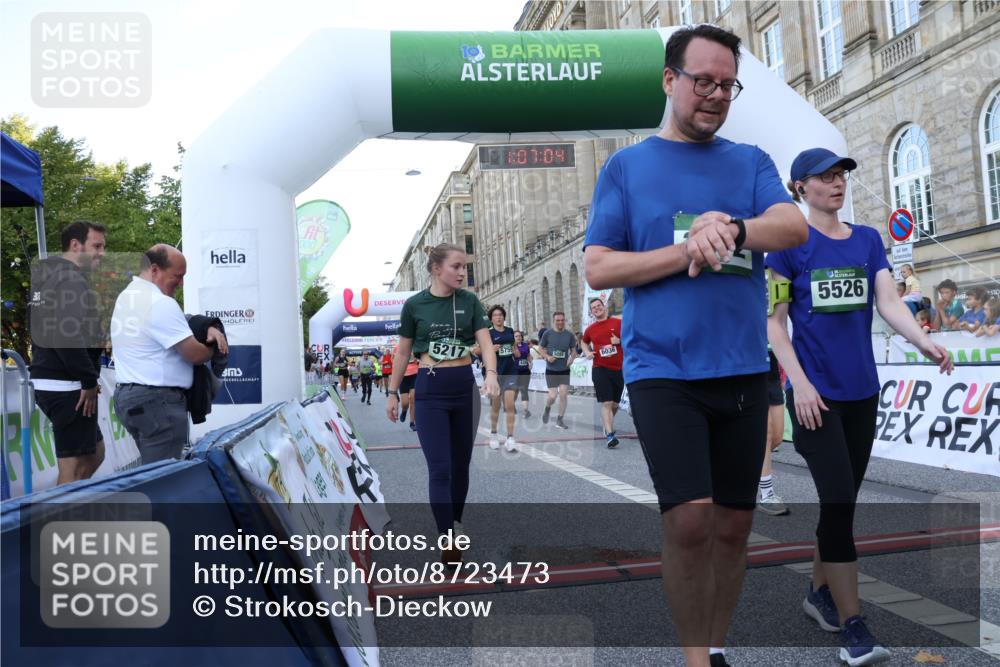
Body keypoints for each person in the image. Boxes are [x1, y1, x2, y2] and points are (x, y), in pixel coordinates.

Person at [583, 25, 809, 667]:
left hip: (740, 369)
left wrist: (735, 229)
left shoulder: (750, 161)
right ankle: (693, 660)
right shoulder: (628, 167)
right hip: (662, 371)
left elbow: (791, 224)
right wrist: (687, 248)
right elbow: (599, 267)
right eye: (701, 80)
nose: (714, 94)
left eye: (726, 84)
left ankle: (715, 644)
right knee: (690, 520)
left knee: (735, 525)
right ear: (669, 80)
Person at [767, 147, 953, 667]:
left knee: (839, 502)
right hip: (814, 397)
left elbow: (889, 302)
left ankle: (817, 592)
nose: (837, 184)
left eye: (841, 175)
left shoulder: (869, 240)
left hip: (862, 393)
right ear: (800, 186)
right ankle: (854, 625)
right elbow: (774, 324)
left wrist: (924, 342)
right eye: (824, 177)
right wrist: (799, 384)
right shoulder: (788, 245)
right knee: (841, 503)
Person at [385, 243, 499, 565]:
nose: (463, 272)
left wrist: (491, 374)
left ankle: (456, 521)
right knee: (440, 468)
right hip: (430, 390)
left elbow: (486, 343)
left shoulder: (470, 301)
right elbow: (403, 353)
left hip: (464, 388)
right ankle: (447, 538)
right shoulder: (415, 305)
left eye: (464, 267)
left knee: (461, 466)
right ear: (436, 268)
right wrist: (393, 393)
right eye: (456, 266)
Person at [111, 245, 228, 464]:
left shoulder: (128, 297)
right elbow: (194, 354)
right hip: (158, 402)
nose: (181, 283)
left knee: (149, 471)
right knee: (161, 478)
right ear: (155, 269)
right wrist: (213, 346)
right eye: (178, 276)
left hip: (131, 398)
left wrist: (207, 326)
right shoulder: (160, 303)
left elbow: (178, 321)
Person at [28, 221, 108, 485]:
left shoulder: (48, 277)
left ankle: (59, 508)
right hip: (67, 385)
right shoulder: (69, 279)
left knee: (95, 453)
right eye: (96, 246)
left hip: (55, 379)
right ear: (76, 245)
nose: (102, 253)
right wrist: (87, 380)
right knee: (73, 467)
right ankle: (53, 519)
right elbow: (65, 335)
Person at [580, 297, 624, 448]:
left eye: (599, 305)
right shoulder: (590, 329)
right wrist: (587, 352)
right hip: (600, 368)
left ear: (604, 307)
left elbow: (631, 340)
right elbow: (583, 341)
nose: (597, 308)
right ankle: (610, 435)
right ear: (591, 312)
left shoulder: (618, 323)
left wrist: (620, 341)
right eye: (594, 308)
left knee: (615, 405)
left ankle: (607, 424)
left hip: (618, 369)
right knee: (607, 403)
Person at [757, 347, 789, 515]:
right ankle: (767, 494)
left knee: (776, 437)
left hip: (773, 363)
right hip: (750, 361)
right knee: (766, 433)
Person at [485, 305, 519, 452]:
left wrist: (515, 350)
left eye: (500, 315)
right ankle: (493, 435)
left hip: (510, 372)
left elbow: (514, 350)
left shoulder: (510, 331)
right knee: (496, 406)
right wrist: (491, 350)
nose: (498, 317)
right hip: (495, 373)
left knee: (510, 405)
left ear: (504, 317)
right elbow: (480, 350)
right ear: (491, 318)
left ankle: (510, 437)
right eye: (495, 315)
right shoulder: (488, 333)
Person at [538, 311, 577, 430]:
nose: (560, 322)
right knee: (553, 396)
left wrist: (572, 358)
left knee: (564, 395)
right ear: (554, 321)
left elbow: (574, 350)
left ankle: (560, 419)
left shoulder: (569, 335)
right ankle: (547, 408)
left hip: (564, 369)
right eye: (557, 320)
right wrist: (547, 357)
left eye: (562, 320)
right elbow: (540, 348)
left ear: (564, 320)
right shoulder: (547, 334)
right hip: (552, 369)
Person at [514, 330, 533, 418]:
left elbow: (528, 355)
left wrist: (531, 363)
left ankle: (526, 411)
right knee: (515, 390)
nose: (519, 337)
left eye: (520, 336)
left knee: (524, 390)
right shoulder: (512, 347)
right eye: (516, 336)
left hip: (525, 371)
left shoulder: (525, 345)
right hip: (515, 371)